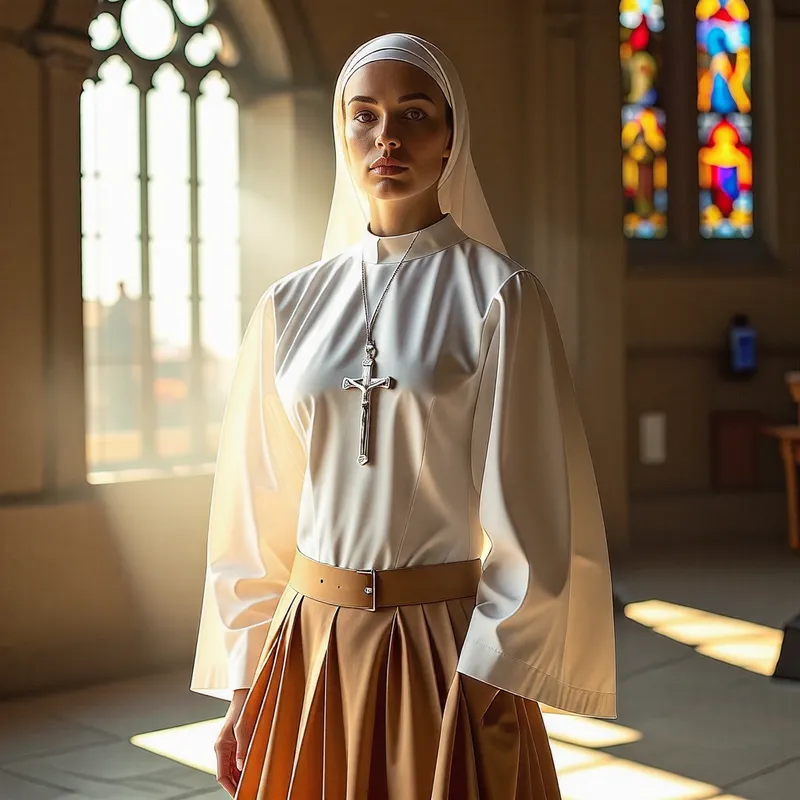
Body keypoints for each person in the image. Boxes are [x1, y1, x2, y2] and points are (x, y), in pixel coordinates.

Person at [190, 32, 616, 800]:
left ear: (453, 135)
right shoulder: (290, 305)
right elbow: (256, 515)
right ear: (341, 132)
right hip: (309, 647)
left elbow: (535, 522)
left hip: (443, 654)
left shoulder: (500, 295)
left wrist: (488, 683)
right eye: (364, 116)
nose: (387, 137)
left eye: (414, 114)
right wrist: (245, 687)